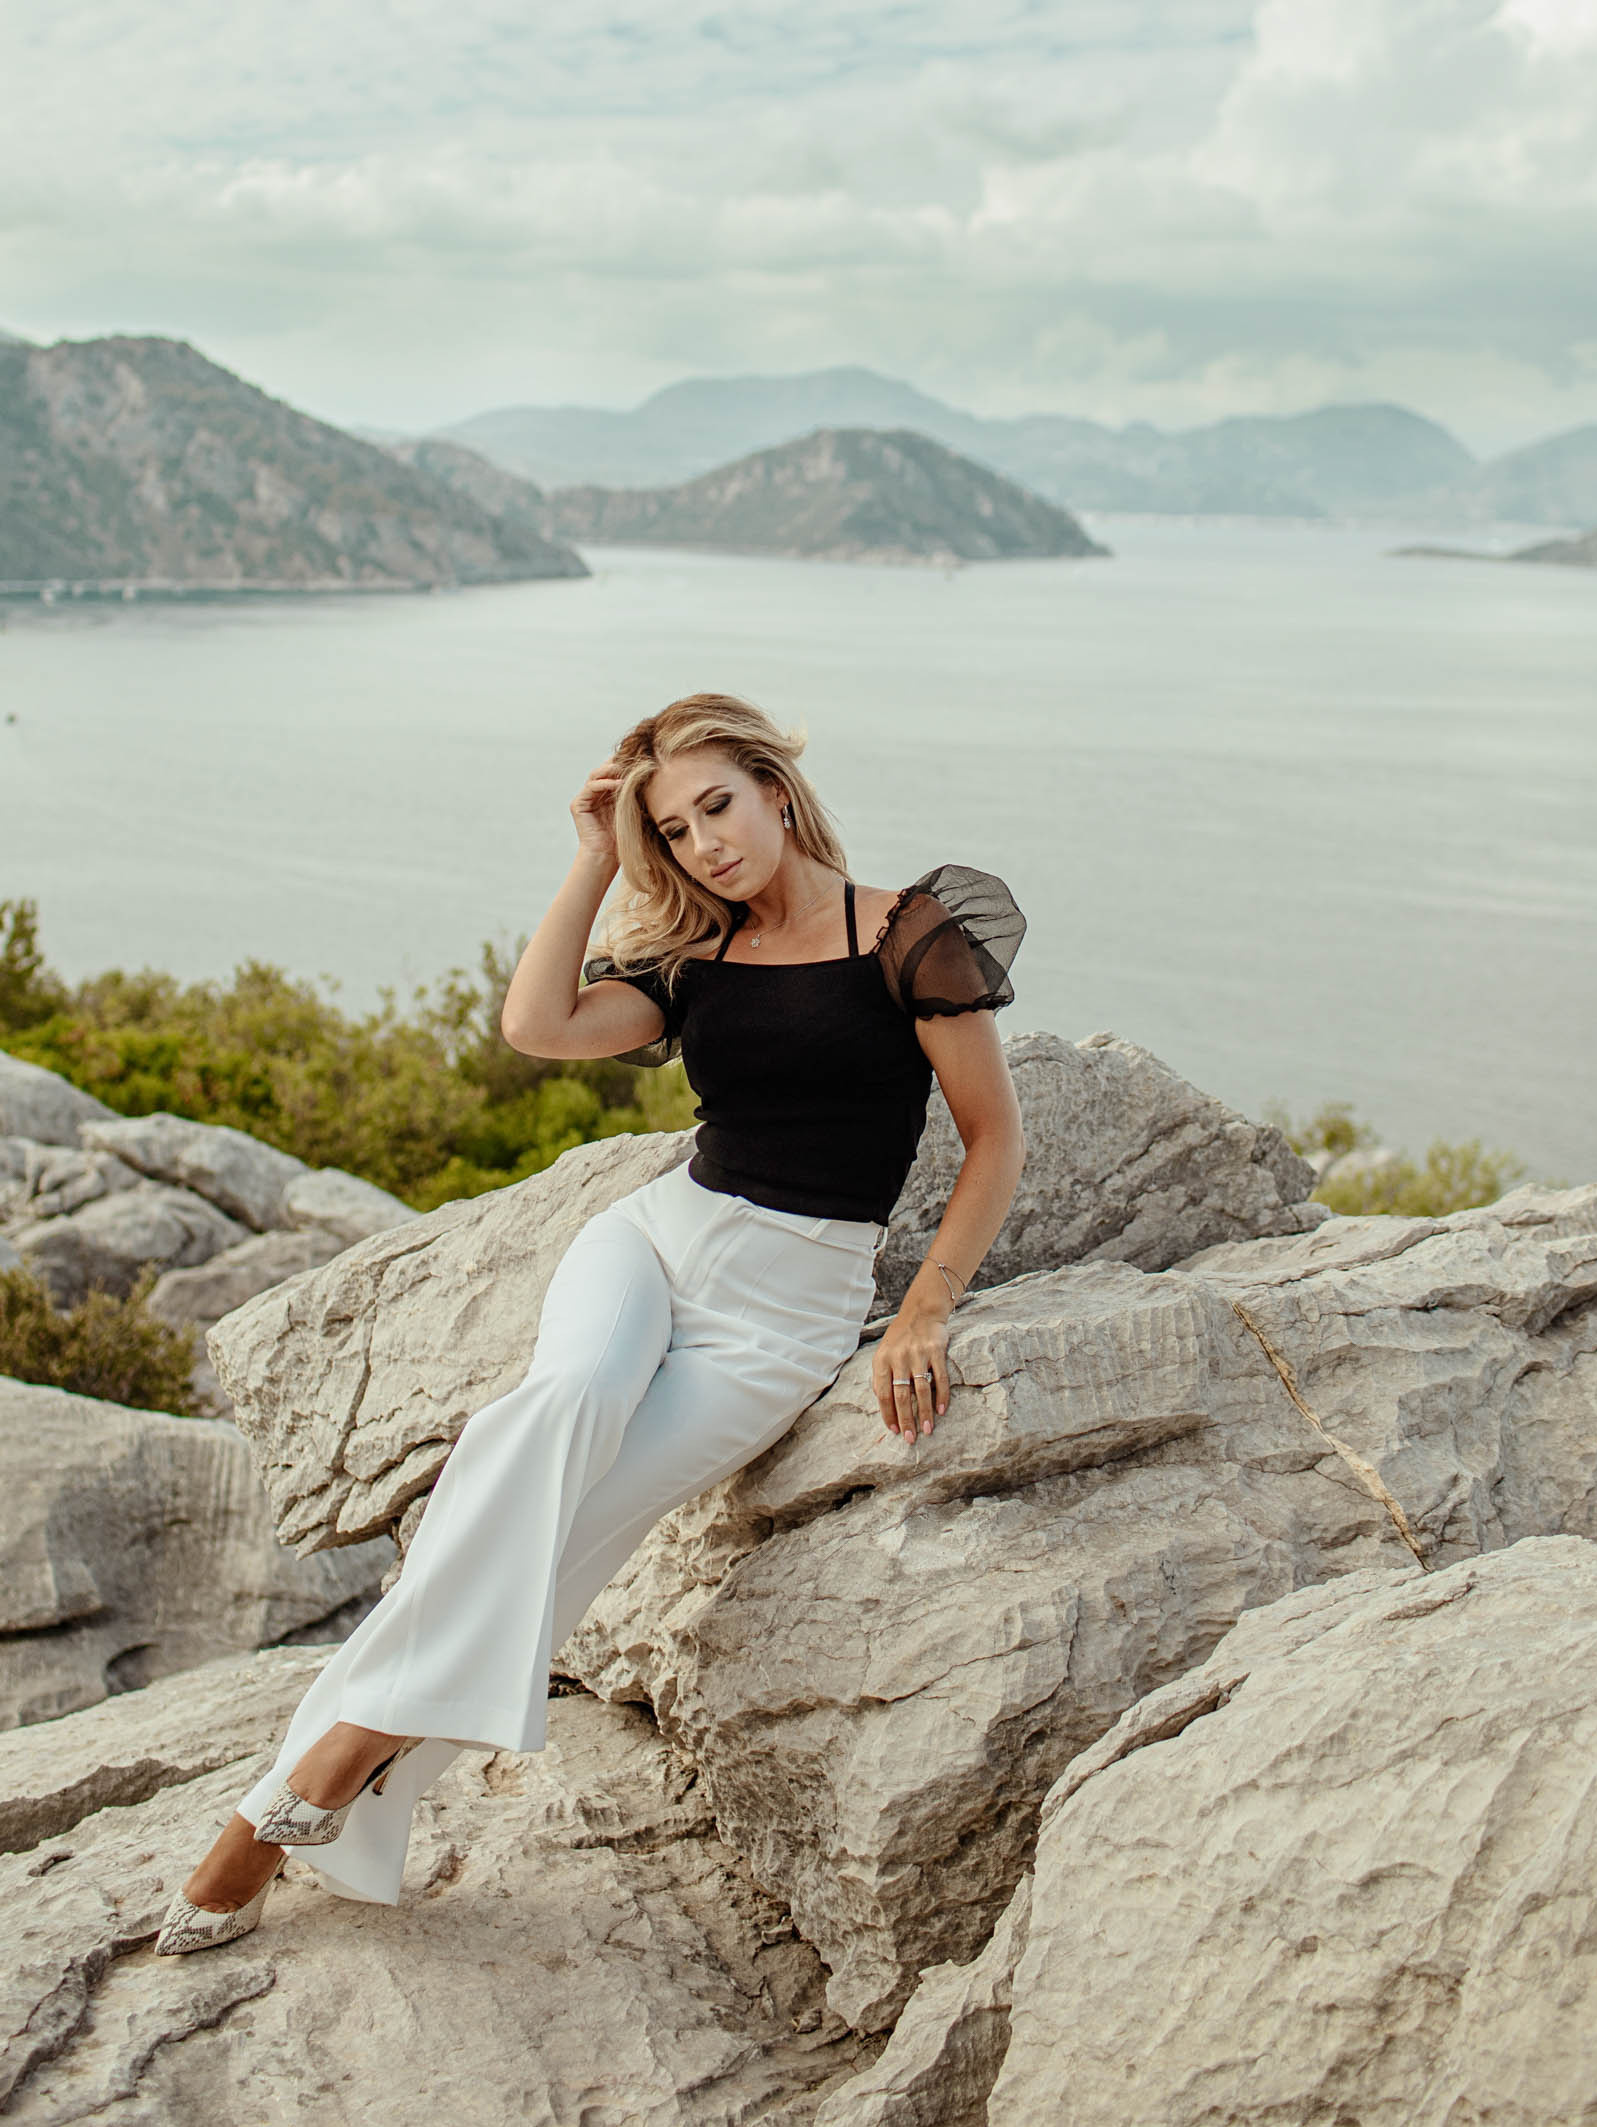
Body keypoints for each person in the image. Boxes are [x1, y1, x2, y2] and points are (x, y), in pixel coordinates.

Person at [157, 691, 1026, 1955]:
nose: (704, 845)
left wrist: (926, 1308)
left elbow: (994, 1137)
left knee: (560, 1539)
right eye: (671, 832)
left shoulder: (909, 932)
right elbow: (536, 1026)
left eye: (716, 807)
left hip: (781, 1315)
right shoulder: (690, 958)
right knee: (550, 1421)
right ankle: (309, 1791)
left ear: (775, 788)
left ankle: (310, 1783)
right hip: (652, 1241)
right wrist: (587, 859)